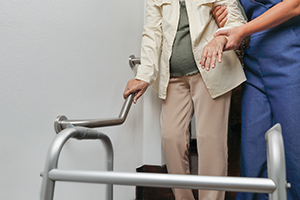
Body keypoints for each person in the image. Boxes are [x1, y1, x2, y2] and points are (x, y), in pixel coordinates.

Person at [123, 0, 246, 199]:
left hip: (211, 68)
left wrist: (221, 39)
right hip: (172, 77)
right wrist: (143, 75)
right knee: (171, 139)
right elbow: (152, 32)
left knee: (211, 143)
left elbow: (234, 17)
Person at [205, 1, 300, 199]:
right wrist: (223, 16)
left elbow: (295, 5)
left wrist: (242, 30)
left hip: (290, 55)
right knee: (252, 155)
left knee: (295, 154)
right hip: (255, 59)